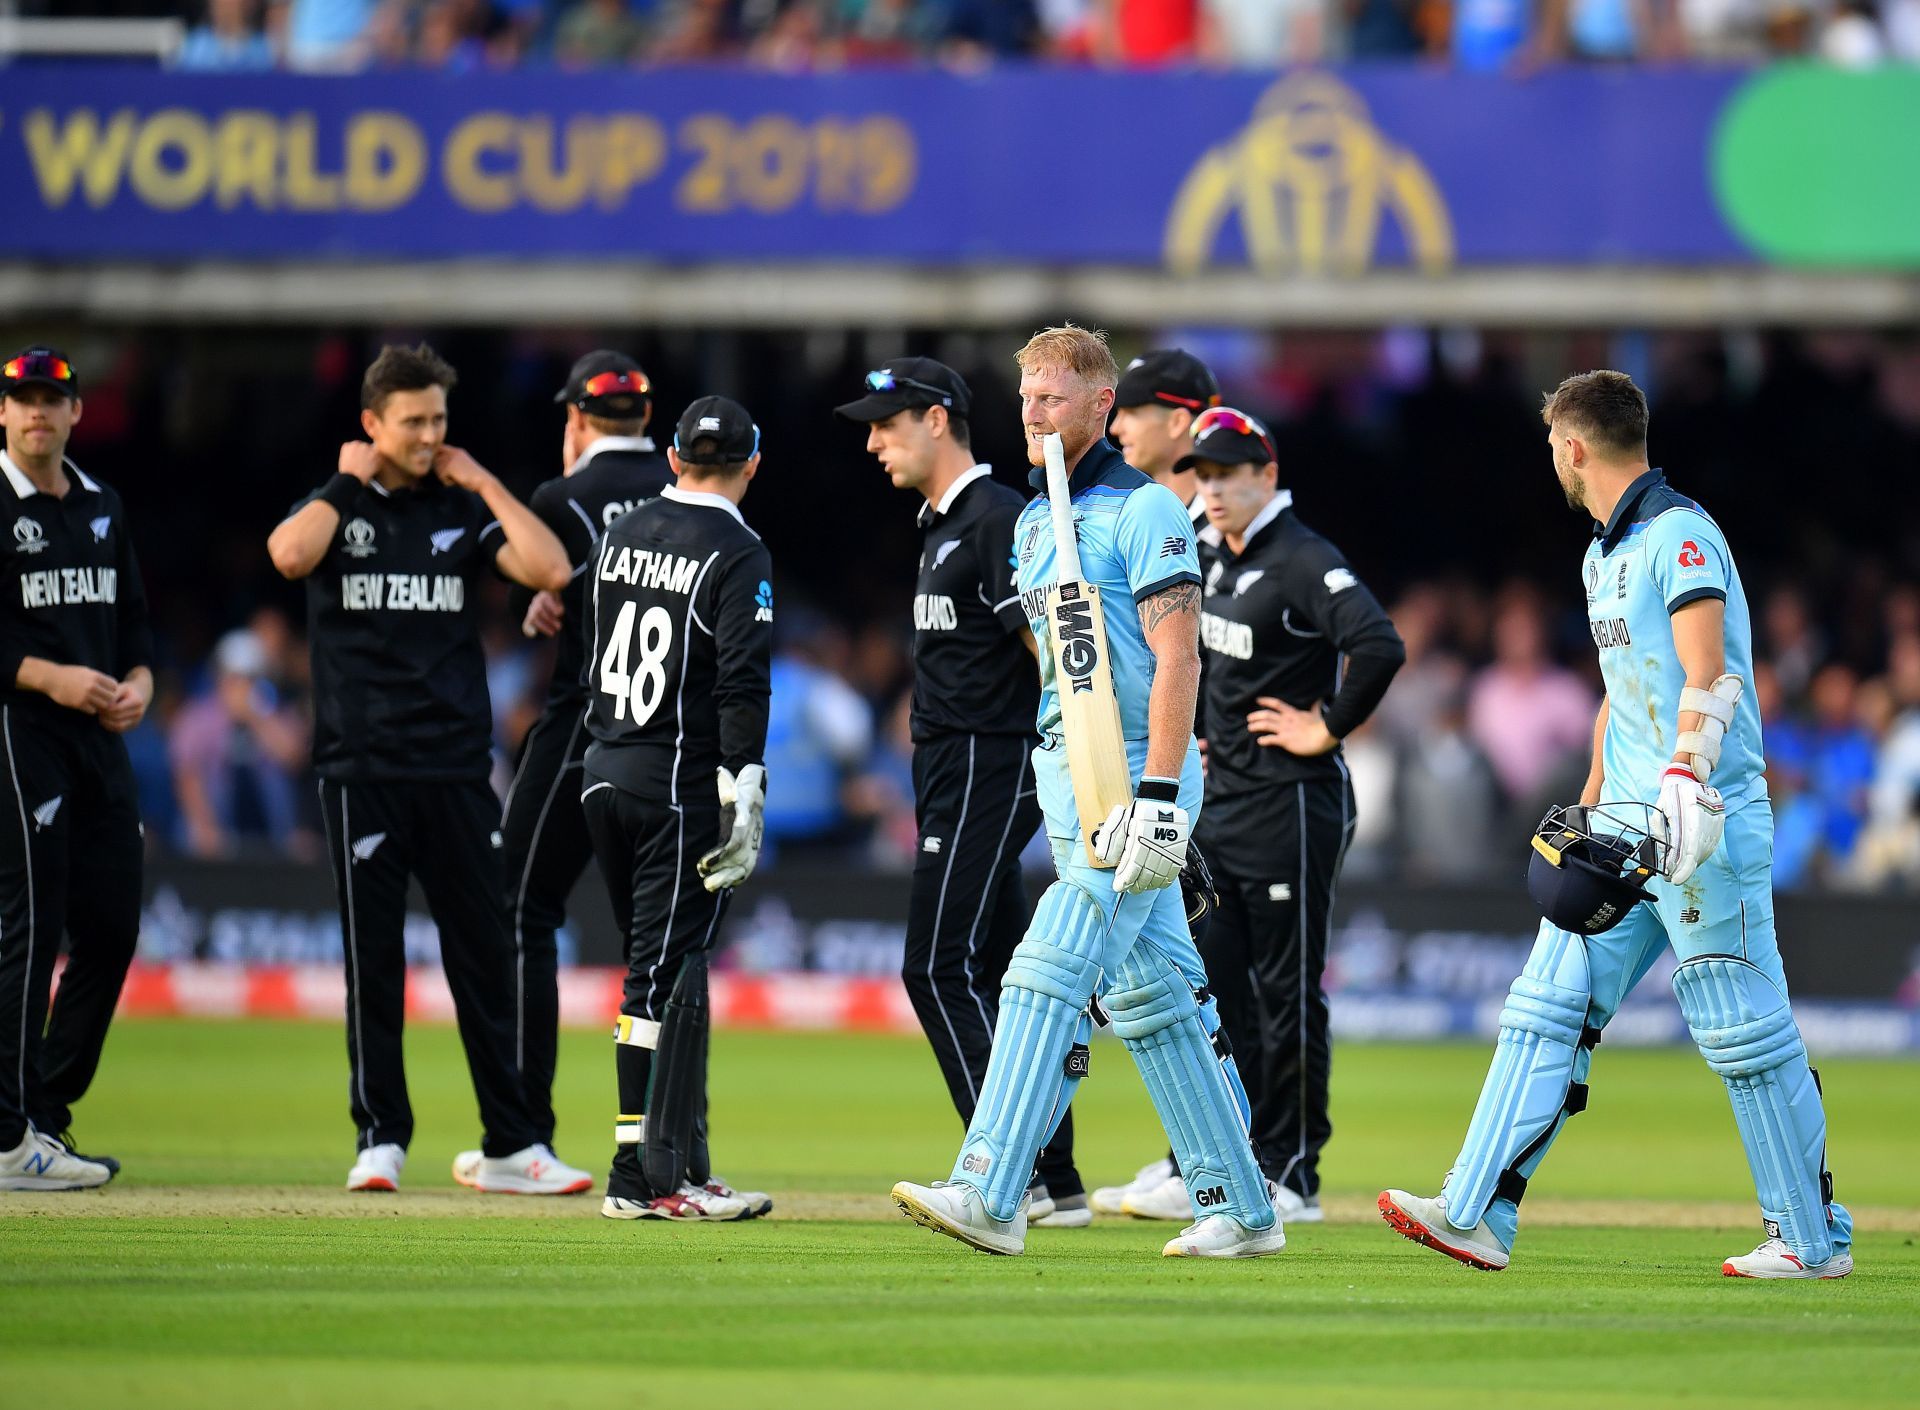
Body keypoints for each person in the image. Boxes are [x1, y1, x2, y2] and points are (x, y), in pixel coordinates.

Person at [1380, 370, 1854, 1280]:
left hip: (1703, 815)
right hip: (1629, 825)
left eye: (1551, 447)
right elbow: (1621, 693)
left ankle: (1808, 1237)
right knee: (1545, 1004)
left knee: (1740, 1028)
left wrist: (1683, 774)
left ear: (1574, 446)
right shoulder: (1603, 554)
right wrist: (1598, 792)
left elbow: (1710, 675)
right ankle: (1474, 1212)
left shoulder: (1680, 535)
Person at [891, 324, 1281, 1259]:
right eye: (1025, 396)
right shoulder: (1031, 522)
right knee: (1160, 999)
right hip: (1069, 781)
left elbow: (1179, 653)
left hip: (1136, 787)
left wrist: (1156, 790)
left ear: (1101, 405)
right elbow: (1060, 670)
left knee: (1046, 965)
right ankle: (1243, 1207)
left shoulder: (1145, 510)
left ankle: (991, 1187)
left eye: (1053, 397)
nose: (1032, 413)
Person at [266, 342, 592, 1197]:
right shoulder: (336, 507)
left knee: (484, 956)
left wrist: (482, 480)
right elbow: (289, 558)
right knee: (371, 960)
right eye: (411, 421)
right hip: (361, 767)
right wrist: (346, 482)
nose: (427, 435)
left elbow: (551, 568)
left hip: (453, 767)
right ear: (371, 423)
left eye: (437, 419)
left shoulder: (460, 506)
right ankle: (381, 1139)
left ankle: (513, 1144)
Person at [835, 356, 1088, 1227]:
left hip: (991, 760)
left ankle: (999, 1176)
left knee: (933, 965)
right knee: (999, 969)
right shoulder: (942, 522)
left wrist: (1068, 761)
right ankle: (1056, 1182)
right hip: (953, 765)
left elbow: (1052, 656)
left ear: (937, 419)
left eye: (886, 423)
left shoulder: (995, 520)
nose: (873, 441)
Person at [448, 351, 671, 1188]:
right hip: (679, 742)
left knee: (520, 906)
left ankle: (519, 1137)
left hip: (589, 723)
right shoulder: (688, 493)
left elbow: (534, 583)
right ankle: (675, 1151)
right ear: (649, 420)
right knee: (664, 941)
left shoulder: (561, 498)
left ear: (575, 421)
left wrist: (535, 599)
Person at [1185, 405, 1404, 1222]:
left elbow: (1379, 645)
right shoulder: (1209, 555)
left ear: (1266, 476)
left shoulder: (1304, 559)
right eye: (1201, 476)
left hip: (1294, 805)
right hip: (1224, 803)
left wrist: (1326, 726)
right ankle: (1235, 1156)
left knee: (1286, 991)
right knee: (1219, 989)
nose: (1211, 490)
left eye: (1227, 476)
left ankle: (1295, 1172)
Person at [582, 395, 774, 1223]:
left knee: (675, 966)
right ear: (751, 466)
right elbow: (741, 681)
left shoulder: (622, 532)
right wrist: (745, 791)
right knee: (658, 977)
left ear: (671, 457)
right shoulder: (738, 549)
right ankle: (637, 1178)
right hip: (676, 789)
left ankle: (683, 1163)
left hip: (602, 772)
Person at [0, 347, 150, 1191]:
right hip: (22, 734)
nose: (37, 415)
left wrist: (138, 688)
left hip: (101, 742)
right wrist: (47, 675)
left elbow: (136, 634)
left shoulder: (101, 505)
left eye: (52, 401)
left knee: (113, 922)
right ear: (3, 413)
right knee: (31, 925)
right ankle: (7, 1135)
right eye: (22, 401)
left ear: (76, 413)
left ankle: (43, 1113)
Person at [1093, 346, 1232, 1220]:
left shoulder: (1212, 527)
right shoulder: (1139, 518)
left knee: (1129, 971)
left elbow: (1201, 660)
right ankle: (1203, 1158)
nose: (1115, 428)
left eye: (1131, 410)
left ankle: (1216, 1163)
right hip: (1157, 767)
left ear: (1180, 420)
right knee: (1169, 974)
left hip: (1190, 776)